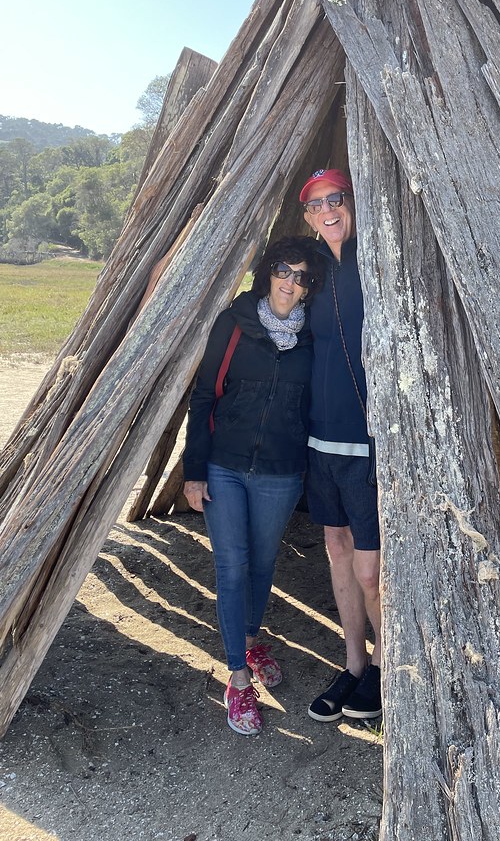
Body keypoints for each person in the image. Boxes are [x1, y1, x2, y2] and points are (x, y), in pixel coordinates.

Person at [183, 235, 323, 736]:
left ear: (309, 287)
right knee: (232, 565)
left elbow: (318, 403)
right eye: (284, 270)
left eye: (302, 275)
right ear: (268, 273)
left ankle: (247, 638)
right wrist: (193, 469)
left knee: (263, 563)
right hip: (225, 465)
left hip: (281, 472)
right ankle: (238, 676)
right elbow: (204, 395)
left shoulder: (314, 336)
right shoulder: (235, 324)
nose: (291, 282)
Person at [299, 168, 382, 722]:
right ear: (307, 217)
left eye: (337, 200)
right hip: (319, 441)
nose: (328, 212)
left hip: (369, 441)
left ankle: (388, 664)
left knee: (373, 569)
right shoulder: (312, 272)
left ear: (353, 202)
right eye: (316, 206)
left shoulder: (375, 260)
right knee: (336, 546)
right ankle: (355, 664)